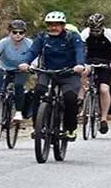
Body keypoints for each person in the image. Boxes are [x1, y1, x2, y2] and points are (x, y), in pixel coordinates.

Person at [18, 11, 85, 141]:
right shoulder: (42, 37)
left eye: (57, 25)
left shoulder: (72, 36)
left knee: (70, 99)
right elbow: (33, 51)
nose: (54, 27)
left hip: (68, 73)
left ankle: (70, 129)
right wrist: (25, 62)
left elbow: (79, 51)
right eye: (50, 25)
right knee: (38, 92)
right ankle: (37, 126)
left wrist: (80, 64)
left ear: (63, 25)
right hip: (47, 72)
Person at [78, 13, 111, 134]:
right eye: (93, 30)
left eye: (97, 30)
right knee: (83, 72)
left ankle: (103, 119)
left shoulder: (110, 33)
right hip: (90, 60)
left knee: (104, 89)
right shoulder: (85, 32)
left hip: (106, 63)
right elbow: (79, 48)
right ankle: (81, 97)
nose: (95, 32)